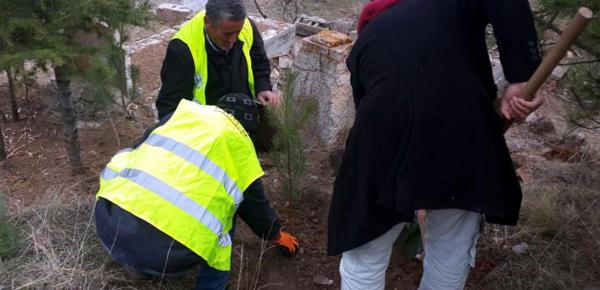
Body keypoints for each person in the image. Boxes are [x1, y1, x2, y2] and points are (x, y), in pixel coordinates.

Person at [327, 0, 545, 289]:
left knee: (365, 254)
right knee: (451, 244)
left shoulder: (365, 43)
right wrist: (521, 76)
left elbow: (370, 119)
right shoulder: (449, 8)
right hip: (463, 119)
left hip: (387, 127)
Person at [95, 94, 298, 290]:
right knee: (224, 221)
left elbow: (141, 146)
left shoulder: (181, 115)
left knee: (131, 156)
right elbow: (255, 209)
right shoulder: (241, 146)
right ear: (248, 131)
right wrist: (276, 235)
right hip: (165, 256)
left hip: (108, 222)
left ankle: (140, 265)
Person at [155, 0, 281, 149]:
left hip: (242, 114)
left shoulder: (246, 26)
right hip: (204, 128)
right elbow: (170, 105)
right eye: (227, 34)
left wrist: (263, 87)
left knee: (276, 141)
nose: (233, 39)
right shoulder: (183, 49)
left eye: (237, 32)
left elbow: (259, 61)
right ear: (207, 22)